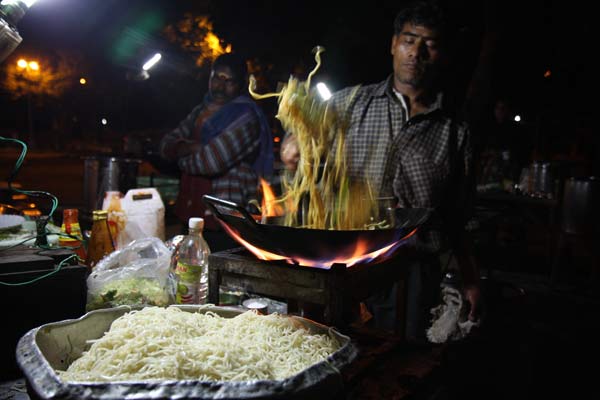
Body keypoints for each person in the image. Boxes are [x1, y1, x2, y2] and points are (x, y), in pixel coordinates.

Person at [281, 1, 481, 341]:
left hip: (414, 269)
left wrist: (470, 279)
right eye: (409, 39)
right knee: (334, 351)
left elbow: (459, 216)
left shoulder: (453, 133)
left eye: (429, 44)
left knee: (399, 365)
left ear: (442, 53)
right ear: (393, 45)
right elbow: (302, 135)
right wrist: (294, 144)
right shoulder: (351, 103)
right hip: (345, 261)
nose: (416, 52)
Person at [160, 53, 274, 251]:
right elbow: (165, 146)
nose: (220, 86)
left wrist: (181, 158)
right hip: (190, 211)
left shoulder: (246, 117)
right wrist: (192, 147)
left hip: (224, 221)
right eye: (216, 78)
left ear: (240, 84)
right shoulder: (200, 111)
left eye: (228, 81)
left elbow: (210, 162)